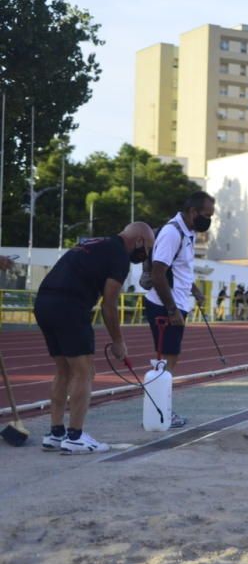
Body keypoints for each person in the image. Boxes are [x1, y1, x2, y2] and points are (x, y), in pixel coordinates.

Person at [34, 222, 155, 454]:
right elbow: (109, 305)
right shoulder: (119, 256)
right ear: (139, 240)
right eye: (148, 247)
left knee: (63, 370)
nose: (146, 253)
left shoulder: (95, 242)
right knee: (84, 371)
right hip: (70, 305)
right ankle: (75, 437)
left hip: (44, 302)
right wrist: (118, 341)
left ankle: (55, 433)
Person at [144, 191, 216, 428]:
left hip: (177, 303)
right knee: (165, 361)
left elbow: (179, 268)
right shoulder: (172, 232)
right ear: (193, 212)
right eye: (207, 215)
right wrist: (172, 309)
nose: (209, 220)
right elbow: (158, 272)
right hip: (165, 306)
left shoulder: (188, 232)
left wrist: (194, 289)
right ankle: (161, 410)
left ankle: (161, 409)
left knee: (169, 359)